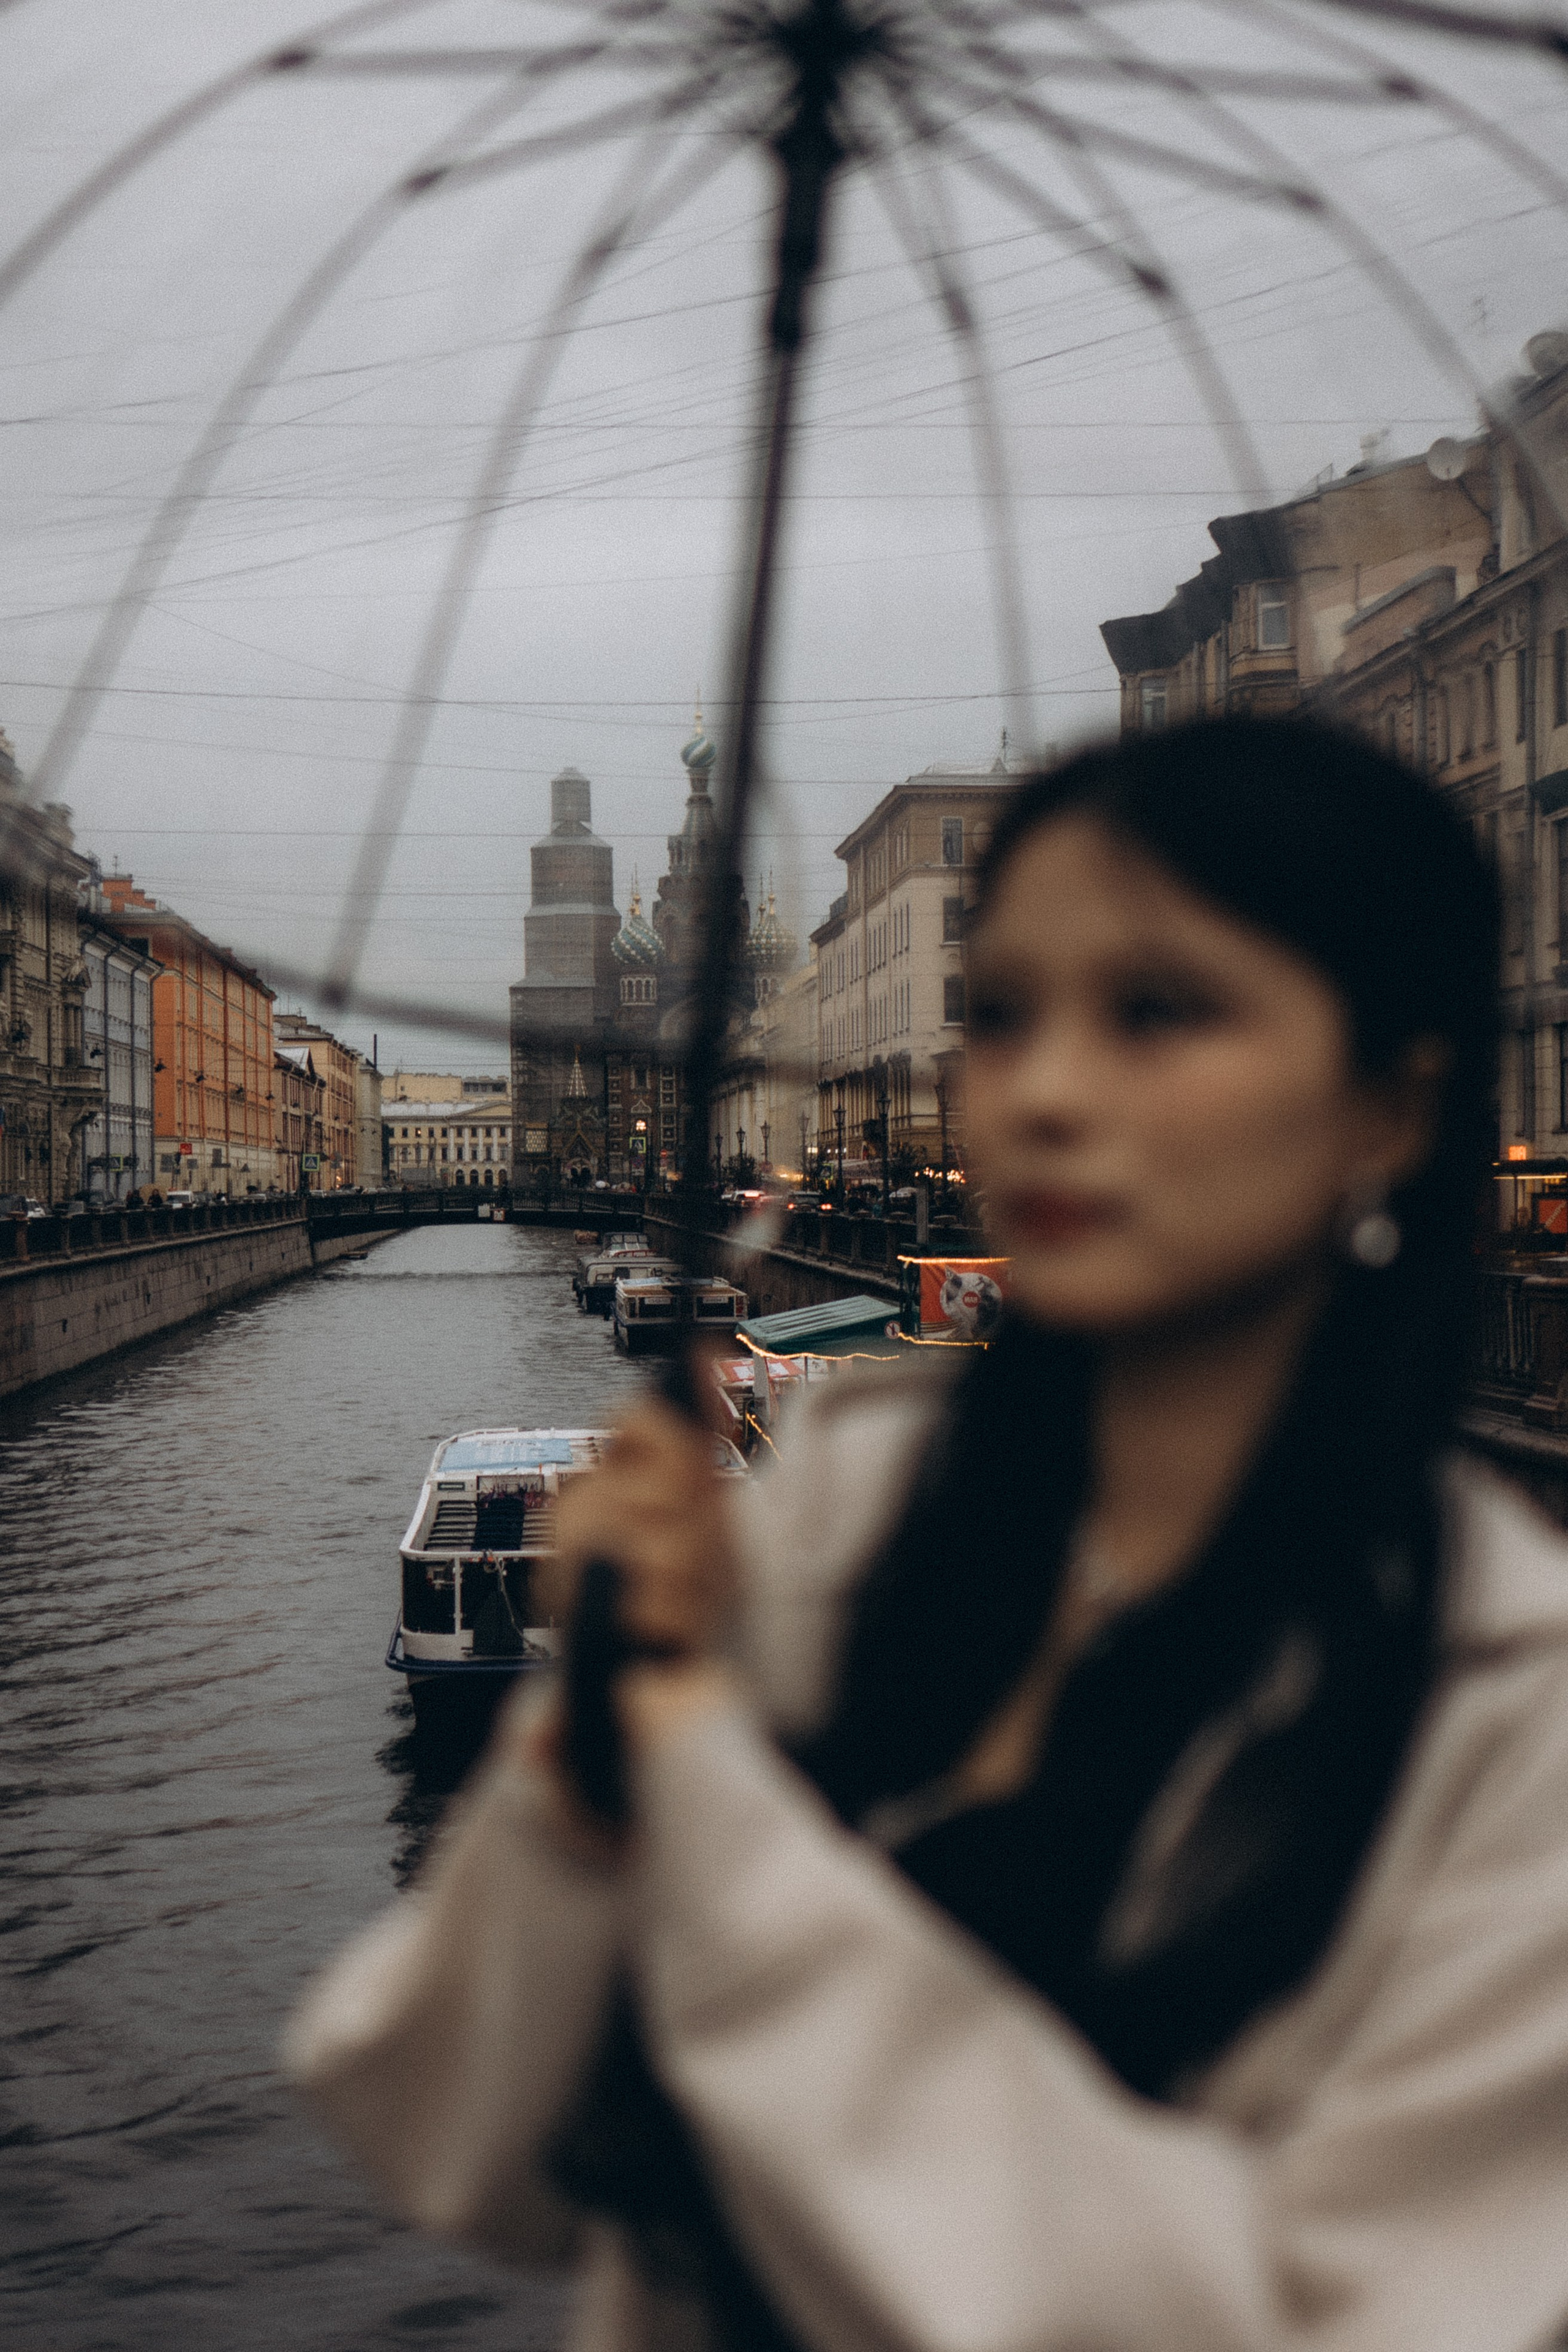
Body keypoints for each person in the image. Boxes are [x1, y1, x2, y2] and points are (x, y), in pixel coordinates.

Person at [287, 717, 1568, 2352]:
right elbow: (456, 2151)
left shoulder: (1516, 1716)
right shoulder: (844, 1497)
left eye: (1158, 1010)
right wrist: (592, 1744)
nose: (1041, 1092)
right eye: (1001, 1015)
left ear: (1392, 1105)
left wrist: (707, 1790)